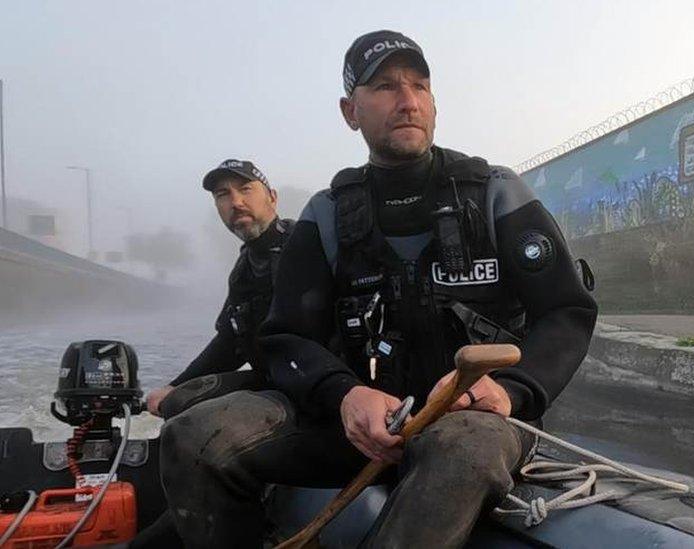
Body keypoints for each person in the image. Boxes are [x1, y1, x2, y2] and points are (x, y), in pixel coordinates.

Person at [159, 30, 597, 548]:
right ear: (351, 111)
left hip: (479, 419)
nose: (408, 101)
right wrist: (346, 395)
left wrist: (512, 389)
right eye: (386, 87)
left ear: (434, 103)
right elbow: (285, 339)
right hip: (357, 427)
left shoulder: (496, 193)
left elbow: (567, 310)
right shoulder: (325, 216)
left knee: (461, 447)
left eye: (419, 86)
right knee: (192, 437)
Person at [145, 159, 294, 419]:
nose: (235, 202)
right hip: (274, 383)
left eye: (246, 189)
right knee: (178, 403)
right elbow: (231, 342)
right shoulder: (243, 270)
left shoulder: (306, 244)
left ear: (272, 197)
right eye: (223, 195)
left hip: (322, 389)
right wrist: (173, 387)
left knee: (195, 426)